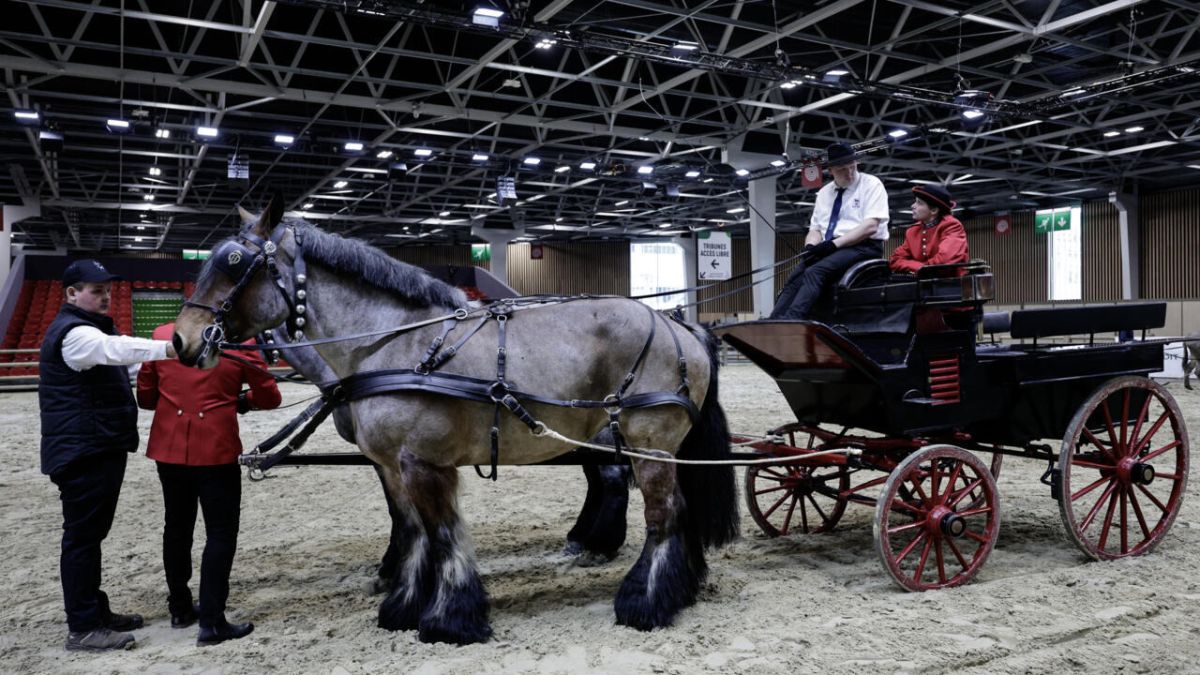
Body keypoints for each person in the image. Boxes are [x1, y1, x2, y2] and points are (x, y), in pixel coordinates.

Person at [38, 259, 177, 652]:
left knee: (90, 536)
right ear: (71, 294)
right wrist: (173, 347)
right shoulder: (77, 334)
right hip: (84, 449)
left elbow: (124, 359)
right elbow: (117, 351)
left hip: (95, 445)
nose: (105, 296)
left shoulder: (90, 329)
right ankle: (82, 627)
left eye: (107, 290)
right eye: (96, 290)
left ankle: (94, 611)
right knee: (82, 538)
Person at [137, 322, 281, 646]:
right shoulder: (240, 340)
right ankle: (212, 621)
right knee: (220, 533)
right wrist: (241, 400)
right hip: (216, 449)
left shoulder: (162, 335)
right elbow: (270, 396)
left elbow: (145, 397)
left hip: (169, 448)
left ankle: (180, 609)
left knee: (176, 528)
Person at [770, 142, 890, 320]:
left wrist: (833, 245)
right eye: (842, 169)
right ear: (831, 170)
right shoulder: (825, 193)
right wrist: (810, 247)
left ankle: (792, 319)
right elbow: (816, 229)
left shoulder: (871, 184)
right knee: (797, 274)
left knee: (815, 271)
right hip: (833, 246)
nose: (849, 173)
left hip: (864, 246)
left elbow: (870, 226)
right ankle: (774, 319)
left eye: (852, 167)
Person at [889, 185, 969, 274]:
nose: (912, 206)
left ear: (934, 210)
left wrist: (914, 267)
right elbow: (895, 260)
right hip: (922, 285)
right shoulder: (912, 231)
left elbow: (944, 262)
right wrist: (922, 268)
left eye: (919, 203)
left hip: (952, 285)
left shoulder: (951, 225)